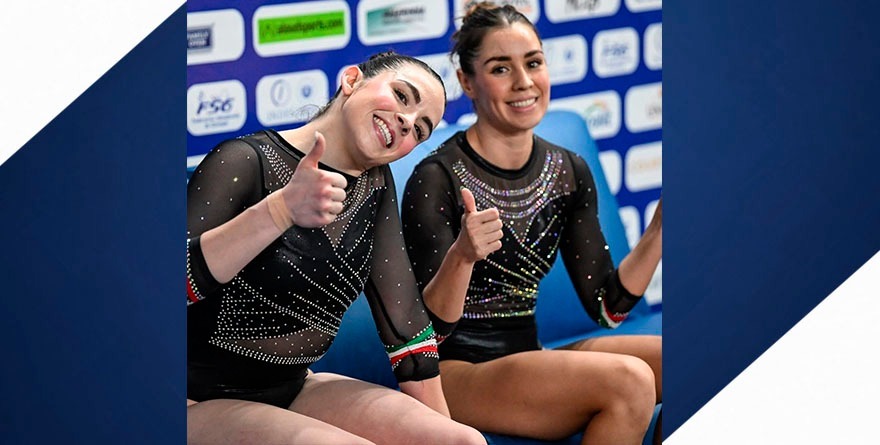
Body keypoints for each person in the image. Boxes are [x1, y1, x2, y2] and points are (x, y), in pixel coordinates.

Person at [186, 51, 486, 445]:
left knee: (464, 442)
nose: (407, 122)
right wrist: (279, 210)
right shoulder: (243, 160)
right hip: (197, 398)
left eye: (420, 129)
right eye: (401, 96)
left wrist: (447, 434)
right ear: (351, 80)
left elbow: (407, 331)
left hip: (295, 388)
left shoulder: (375, 187)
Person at [401, 4, 663, 445]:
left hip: (527, 357)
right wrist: (463, 255)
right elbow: (424, 332)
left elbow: (608, 308)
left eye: (533, 63)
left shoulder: (568, 170)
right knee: (629, 380)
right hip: (453, 373)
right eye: (500, 68)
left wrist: (658, 233)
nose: (524, 82)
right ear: (467, 82)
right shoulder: (437, 177)